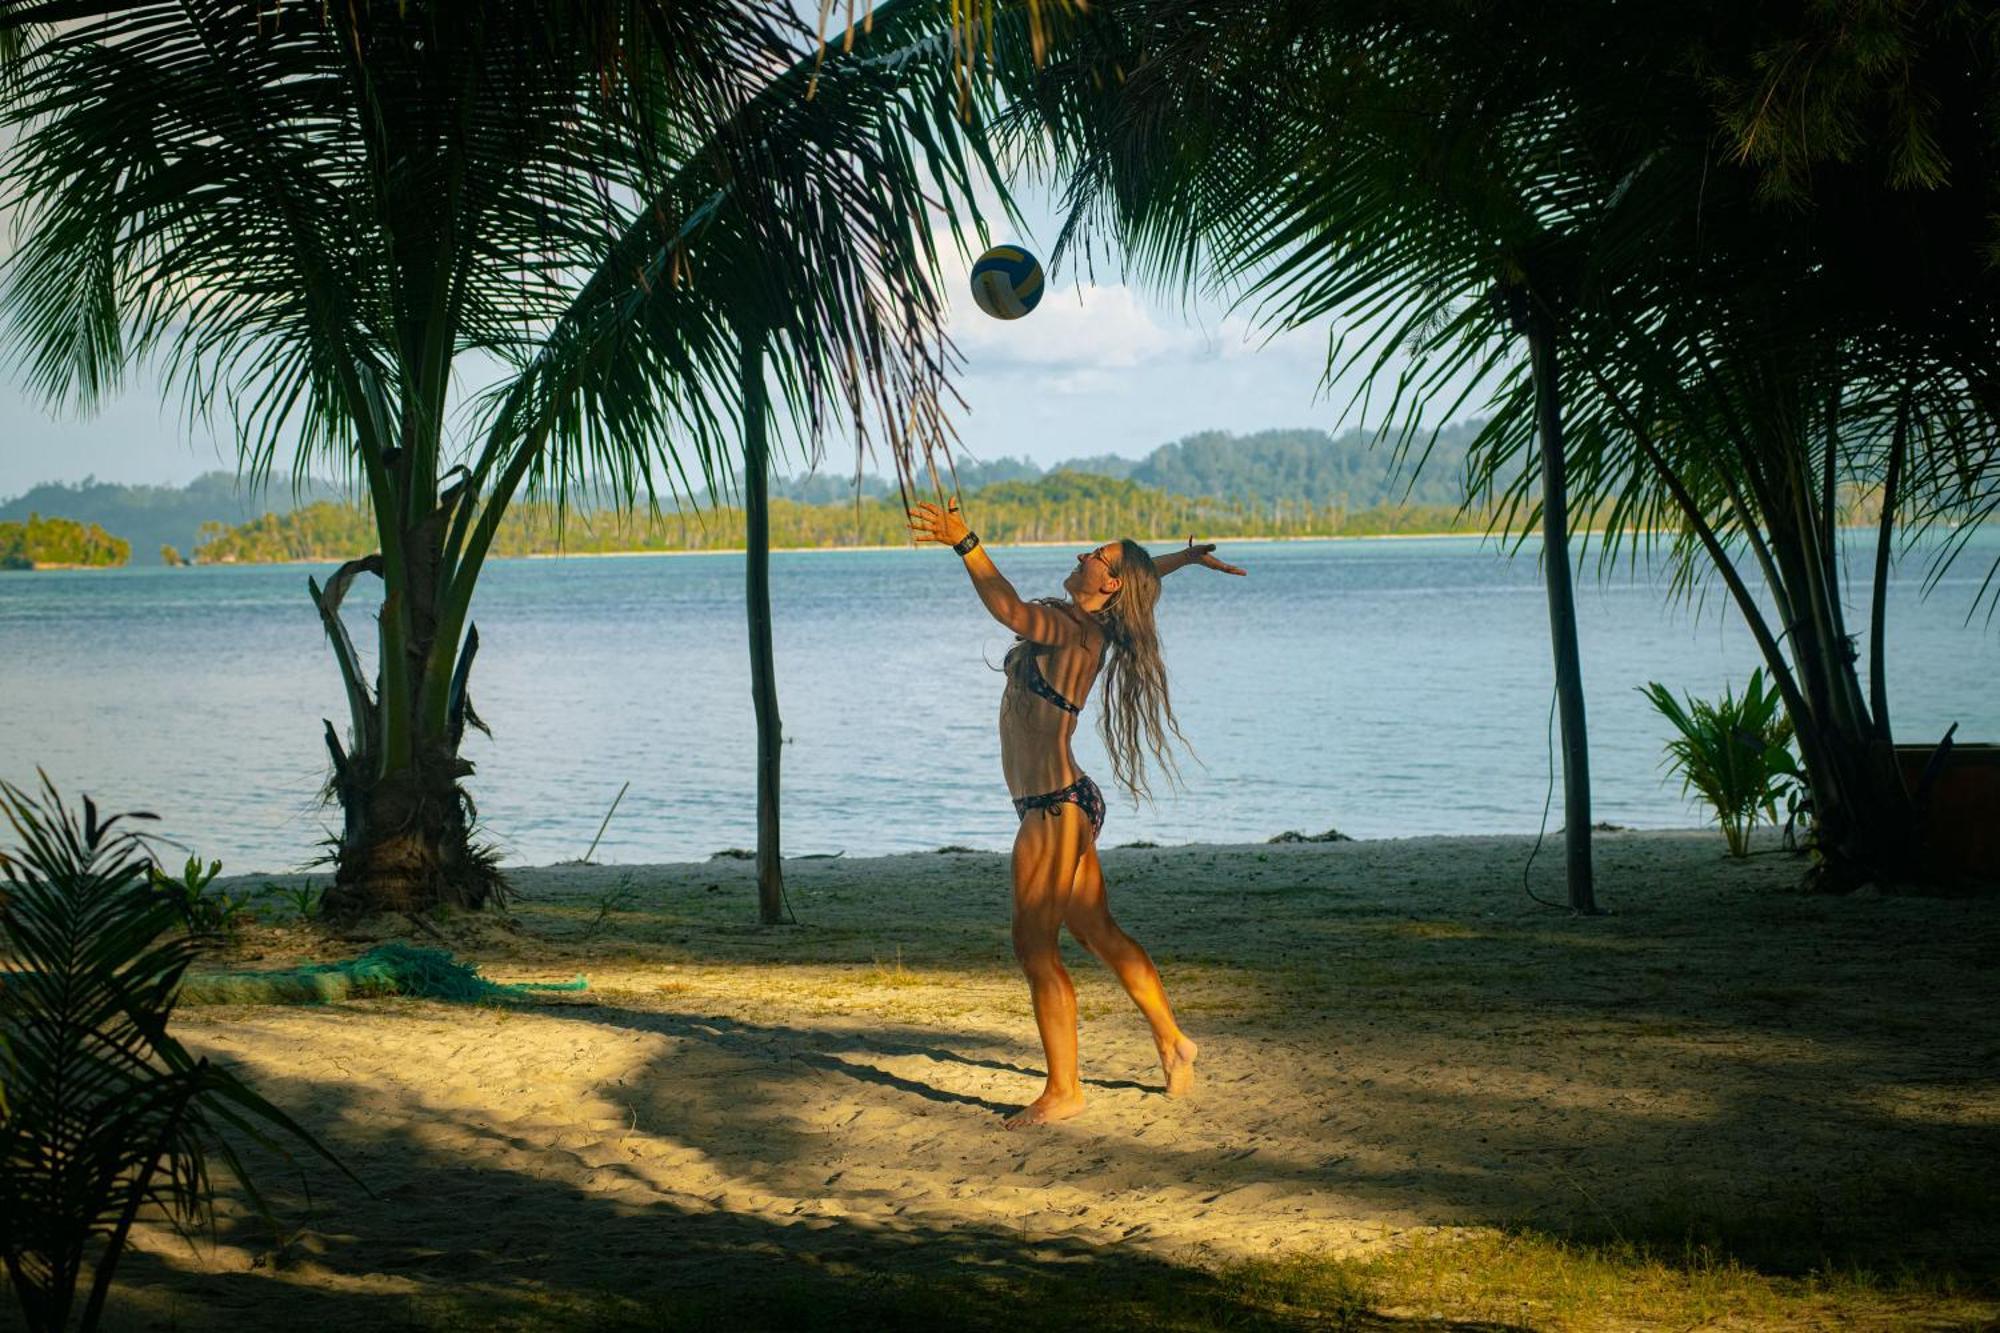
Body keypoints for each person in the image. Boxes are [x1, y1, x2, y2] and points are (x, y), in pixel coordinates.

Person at [907, 496, 1246, 1127]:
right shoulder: (1095, 623)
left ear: (1108, 582)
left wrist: (966, 542)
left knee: (1035, 947)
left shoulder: (1072, 629)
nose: (1082, 554)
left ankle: (1064, 1089)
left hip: (1053, 809)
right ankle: (1174, 1043)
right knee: (1097, 932)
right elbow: (1133, 582)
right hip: (1068, 804)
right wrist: (1183, 559)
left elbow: (1006, 606)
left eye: (1096, 555)